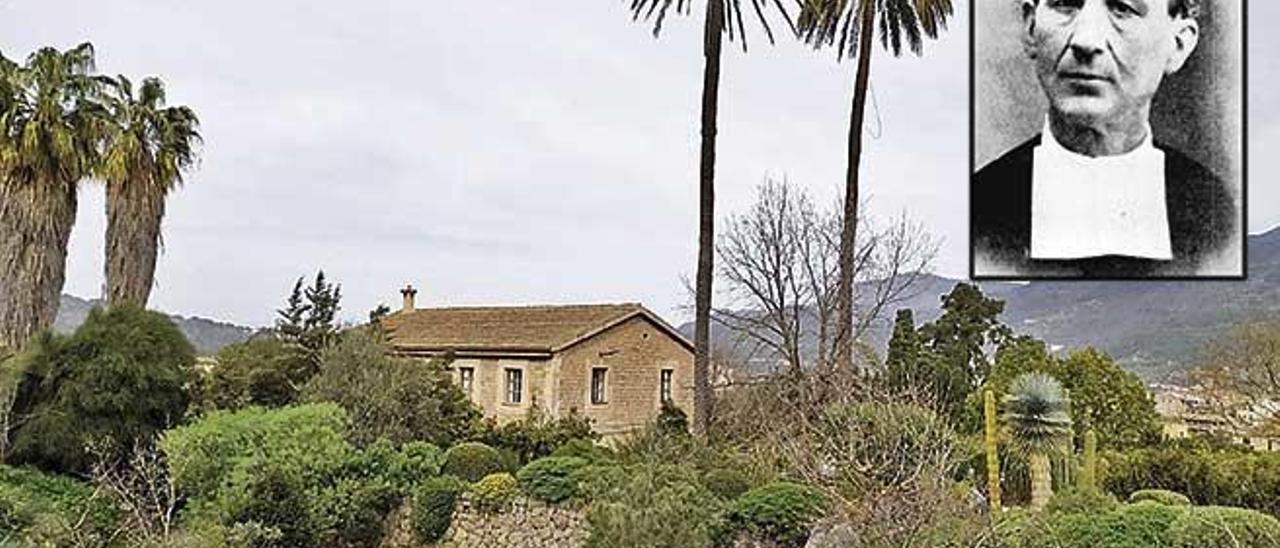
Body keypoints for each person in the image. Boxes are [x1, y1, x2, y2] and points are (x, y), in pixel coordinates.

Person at [972, 0, 1238, 278]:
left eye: (1122, 8)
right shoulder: (978, 208)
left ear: (1178, 44)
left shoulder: (1217, 216)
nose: (1085, 41)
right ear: (1030, 27)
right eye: (1064, 4)